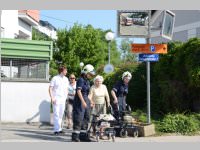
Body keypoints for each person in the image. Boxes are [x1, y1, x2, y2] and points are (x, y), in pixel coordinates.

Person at [72, 64, 96, 142]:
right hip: (79, 101)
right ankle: (75, 136)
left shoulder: (87, 81)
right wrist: (83, 102)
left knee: (86, 118)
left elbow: (87, 94)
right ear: (86, 73)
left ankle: (83, 136)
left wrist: (91, 101)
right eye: (90, 74)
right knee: (79, 118)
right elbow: (78, 91)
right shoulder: (80, 80)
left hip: (86, 101)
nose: (91, 76)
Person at [88, 75, 110, 139]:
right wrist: (91, 101)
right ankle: (94, 132)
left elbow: (107, 96)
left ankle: (101, 133)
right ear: (95, 81)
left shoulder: (104, 87)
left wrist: (108, 102)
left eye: (100, 81)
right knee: (94, 119)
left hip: (103, 105)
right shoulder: (93, 87)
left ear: (102, 81)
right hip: (94, 105)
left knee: (103, 119)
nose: (98, 83)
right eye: (97, 81)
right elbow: (89, 96)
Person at [49, 66, 69, 135]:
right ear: (61, 71)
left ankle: (59, 129)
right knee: (56, 114)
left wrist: (66, 97)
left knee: (61, 114)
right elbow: (50, 89)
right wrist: (52, 98)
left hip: (63, 99)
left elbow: (66, 89)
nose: (66, 72)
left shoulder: (66, 79)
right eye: (65, 70)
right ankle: (56, 130)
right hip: (56, 99)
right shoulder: (55, 78)